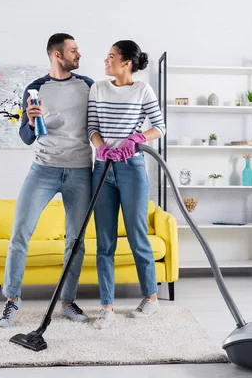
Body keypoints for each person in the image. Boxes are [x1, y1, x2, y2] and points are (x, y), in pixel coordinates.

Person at [0, 33, 94, 328]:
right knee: (20, 233)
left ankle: (67, 301)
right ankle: (11, 301)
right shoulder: (35, 88)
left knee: (75, 241)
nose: (78, 54)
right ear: (57, 54)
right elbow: (26, 138)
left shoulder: (88, 86)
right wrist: (28, 121)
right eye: (73, 50)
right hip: (43, 169)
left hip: (80, 170)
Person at [87, 40, 166, 329]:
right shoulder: (98, 88)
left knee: (137, 235)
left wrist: (136, 139)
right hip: (103, 169)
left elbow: (160, 126)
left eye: (111, 57)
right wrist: (101, 147)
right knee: (104, 242)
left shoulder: (143, 90)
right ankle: (106, 306)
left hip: (131, 168)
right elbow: (92, 127)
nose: (105, 61)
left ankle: (151, 298)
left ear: (126, 63)